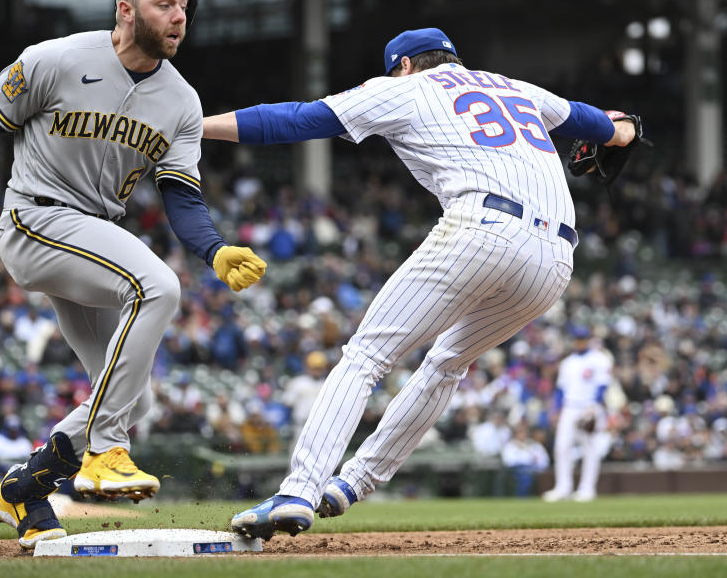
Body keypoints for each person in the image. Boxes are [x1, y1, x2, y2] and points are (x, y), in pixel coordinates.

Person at [203, 27, 639, 539]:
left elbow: (298, 119)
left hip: (482, 228)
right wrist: (627, 127)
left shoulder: (405, 87)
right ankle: (353, 484)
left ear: (405, 65)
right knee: (447, 364)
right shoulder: (515, 87)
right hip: (555, 259)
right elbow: (611, 128)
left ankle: (299, 491)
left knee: (365, 358)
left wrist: (197, 126)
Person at [0, 0, 267, 549]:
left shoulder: (181, 101)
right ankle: (106, 451)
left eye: (185, 5)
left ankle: (24, 488)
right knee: (157, 285)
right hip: (35, 219)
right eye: (165, 3)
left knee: (138, 399)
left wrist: (213, 249)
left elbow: (180, 194)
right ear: (126, 10)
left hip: (92, 236)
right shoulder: (55, 59)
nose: (180, 15)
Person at [542, 326, 613, 502]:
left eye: (583, 338)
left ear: (588, 339)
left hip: (589, 407)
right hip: (570, 407)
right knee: (561, 447)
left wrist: (594, 406)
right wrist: (556, 409)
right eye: (577, 339)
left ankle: (587, 489)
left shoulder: (600, 359)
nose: (580, 342)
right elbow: (560, 389)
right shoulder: (568, 363)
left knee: (590, 448)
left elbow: (603, 385)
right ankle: (563, 488)